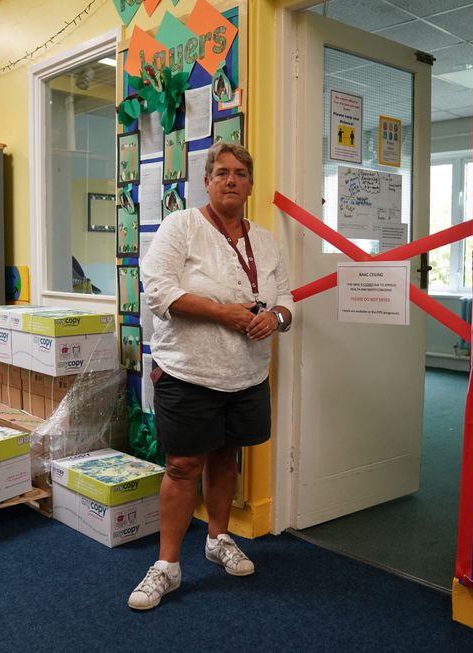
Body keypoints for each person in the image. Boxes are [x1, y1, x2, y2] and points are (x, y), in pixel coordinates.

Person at [129, 141, 293, 610]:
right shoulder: (180, 226)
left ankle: (218, 539)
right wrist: (227, 314)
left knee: (227, 458)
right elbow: (159, 293)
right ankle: (166, 566)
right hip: (189, 372)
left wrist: (274, 319)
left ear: (250, 184)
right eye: (221, 172)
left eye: (241, 173)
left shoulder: (263, 240)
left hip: (246, 375)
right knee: (182, 467)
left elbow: (288, 301)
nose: (231, 180)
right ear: (206, 180)